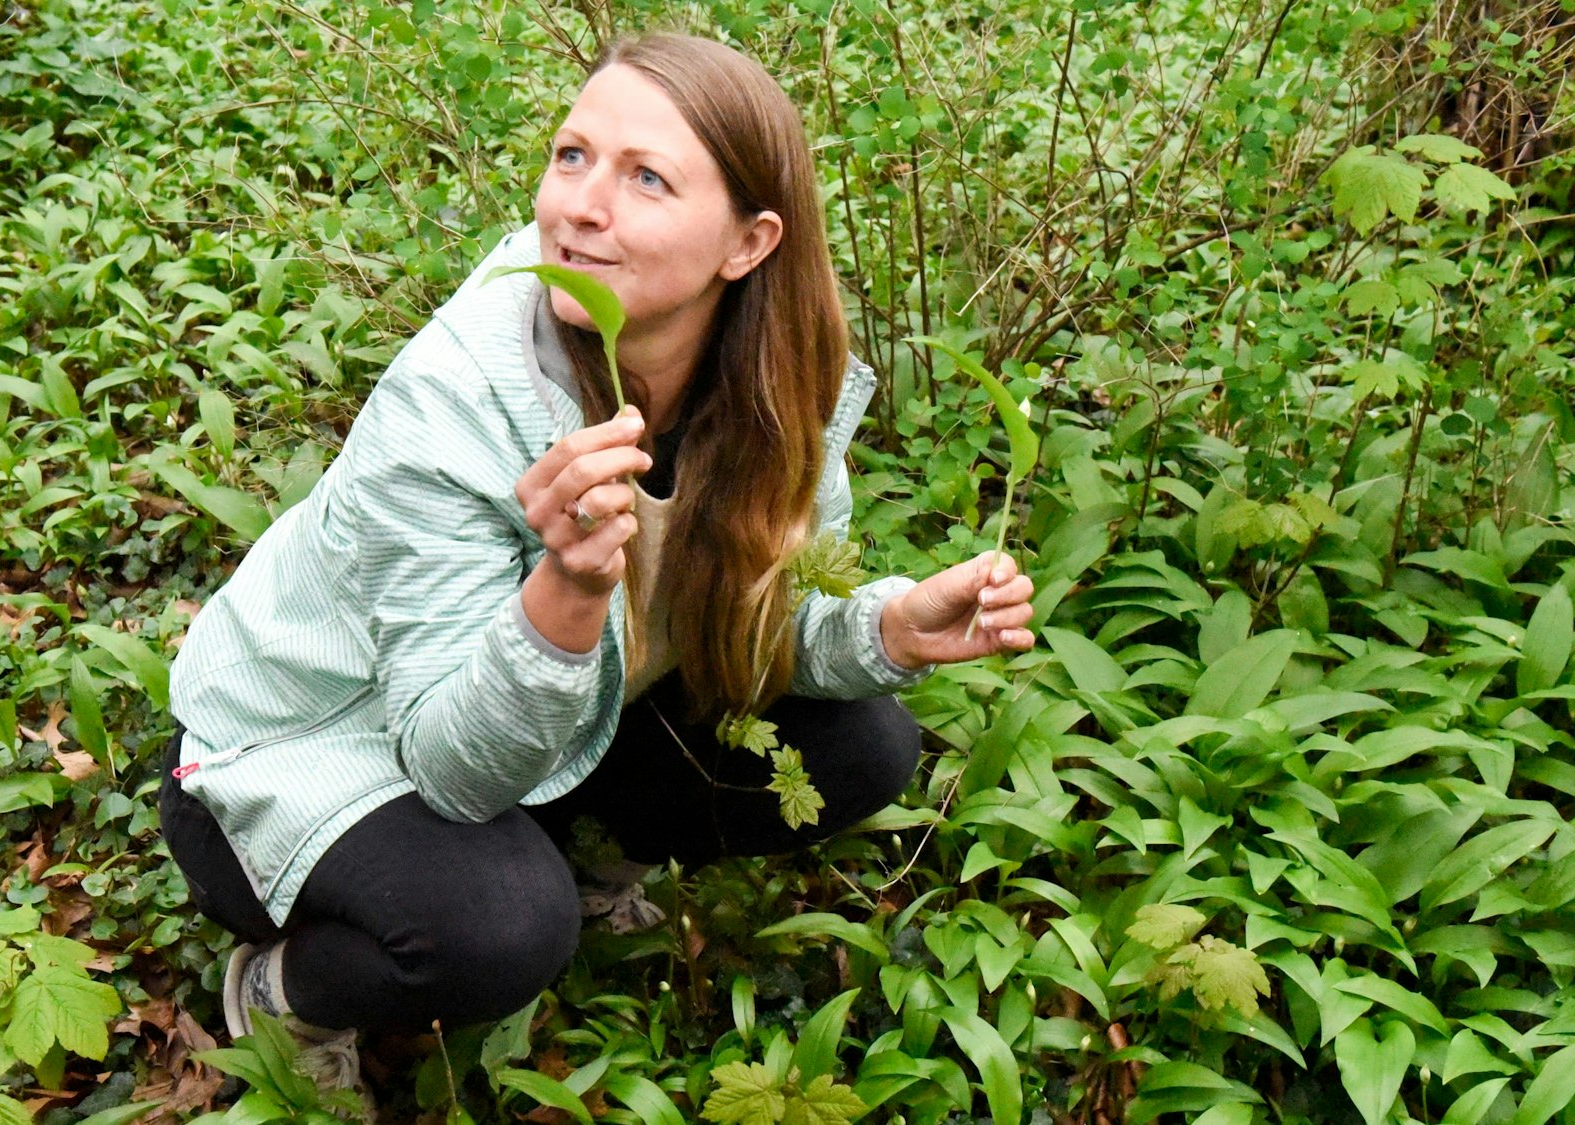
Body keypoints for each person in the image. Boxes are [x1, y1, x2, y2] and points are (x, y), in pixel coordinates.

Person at [157, 31, 1036, 1102]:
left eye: (646, 178)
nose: (577, 205)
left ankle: (576, 846)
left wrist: (887, 629)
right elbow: (446, 761)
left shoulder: (770, 380)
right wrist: (568, 588)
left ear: (748, 244)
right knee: (505, 927)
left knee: (861, 743)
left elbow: (758, 624)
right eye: (570, 156)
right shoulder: (451, 400)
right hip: (310, 741)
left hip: (565, 705)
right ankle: (290, 989)